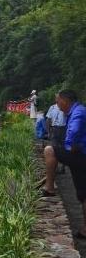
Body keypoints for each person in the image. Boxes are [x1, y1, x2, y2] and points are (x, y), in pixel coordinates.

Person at [42, 90, 86, 238]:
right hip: (80, 155)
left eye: (58, 101)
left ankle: (49, 188)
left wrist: (69, 147)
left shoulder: (78, 113)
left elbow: (74, 132)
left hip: (80, 156)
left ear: (65, 101)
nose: (57, 104)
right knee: (82, 193)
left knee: (50, 150)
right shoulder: (77, 110)